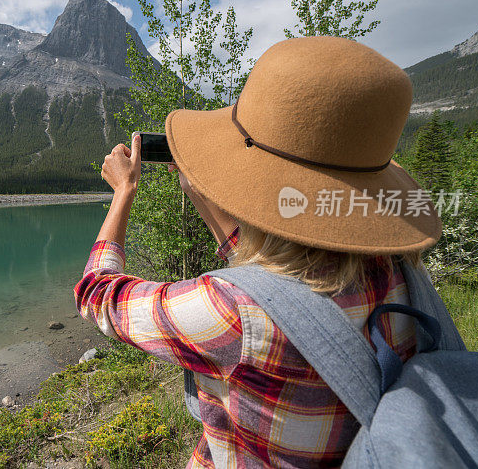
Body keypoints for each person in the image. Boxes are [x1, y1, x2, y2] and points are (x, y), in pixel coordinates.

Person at [74, 36, 444, 468]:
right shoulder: (401, 275)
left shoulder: (232, 312)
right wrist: (200, 191)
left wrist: (124, 191)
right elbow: (277, 285)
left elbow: (97, 295)